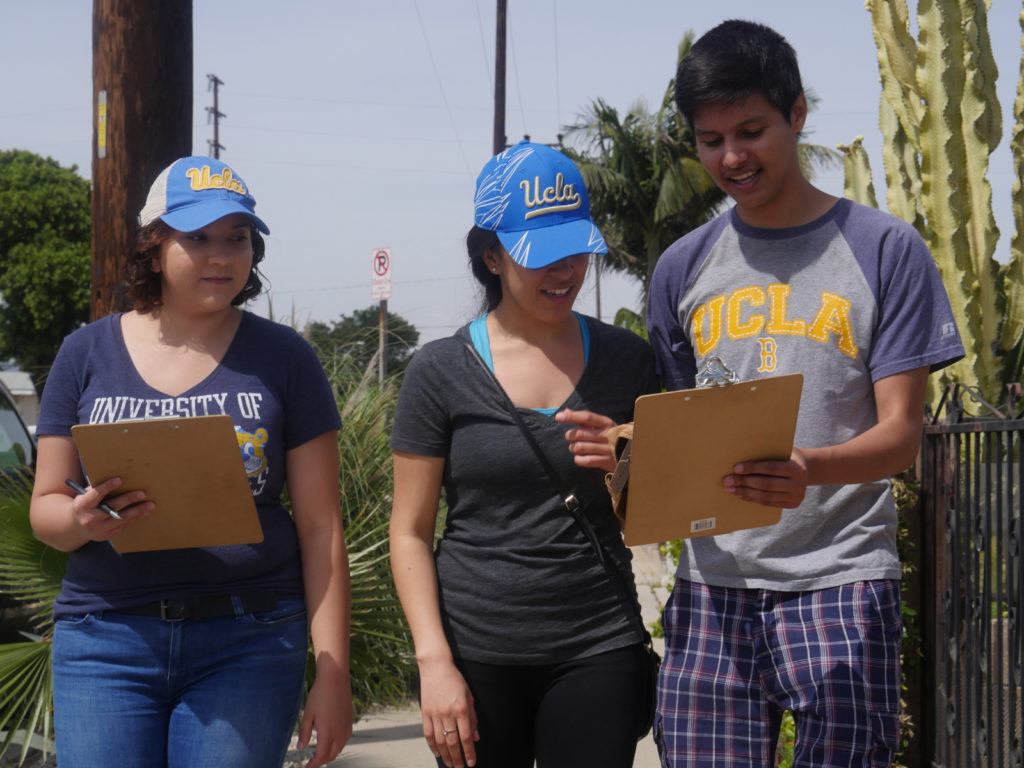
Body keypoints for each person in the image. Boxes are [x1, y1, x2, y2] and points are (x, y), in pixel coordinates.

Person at [567, 19, 965, 768]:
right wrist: (622, 449)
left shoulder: (885, 249)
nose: (732, 157)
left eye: (751, 131)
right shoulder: (683, 268)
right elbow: (688, 435)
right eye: (711, 140)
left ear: (797, 115)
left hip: (843, 580)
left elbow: (903, 434)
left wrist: (808, 468)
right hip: (714, 585)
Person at [30, 156, 353, 768]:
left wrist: (332, 673)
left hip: (250, 639)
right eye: (197, 237)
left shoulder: (287, 358)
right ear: (154, 247)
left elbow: (320, 525)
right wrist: (81, 520)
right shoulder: (85, 351)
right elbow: (45, 509)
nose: (221, 256)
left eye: (237, 238)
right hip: (105, 638)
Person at [388, 140, 658, 768]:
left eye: (576, 252)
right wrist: (434, 663)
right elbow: (409, 532)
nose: (564, 273)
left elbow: (656, 513)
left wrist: (623, 468)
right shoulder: (439, 370)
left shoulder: (629, 359)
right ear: (491, 256)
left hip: (600, 642)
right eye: (542, 256)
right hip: (475, 652)